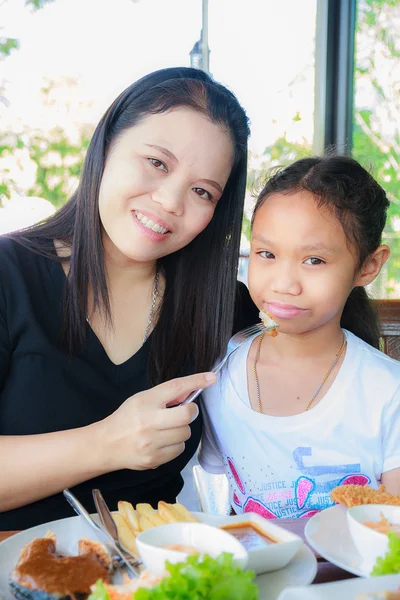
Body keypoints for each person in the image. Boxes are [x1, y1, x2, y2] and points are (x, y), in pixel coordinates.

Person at [0, 67, 259, 530]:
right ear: (106, 147)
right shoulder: (8, 273)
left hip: (158, 567)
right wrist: (108, 443)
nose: (171, 200)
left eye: (202, 191)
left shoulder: (227, 307)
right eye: (157, 163)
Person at [199, 156, 400, 519]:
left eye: (314, 261)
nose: (284, 284)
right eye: (267, 254)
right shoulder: (218, 375)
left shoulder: (388, 391)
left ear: (368, 266)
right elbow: (217, 505)